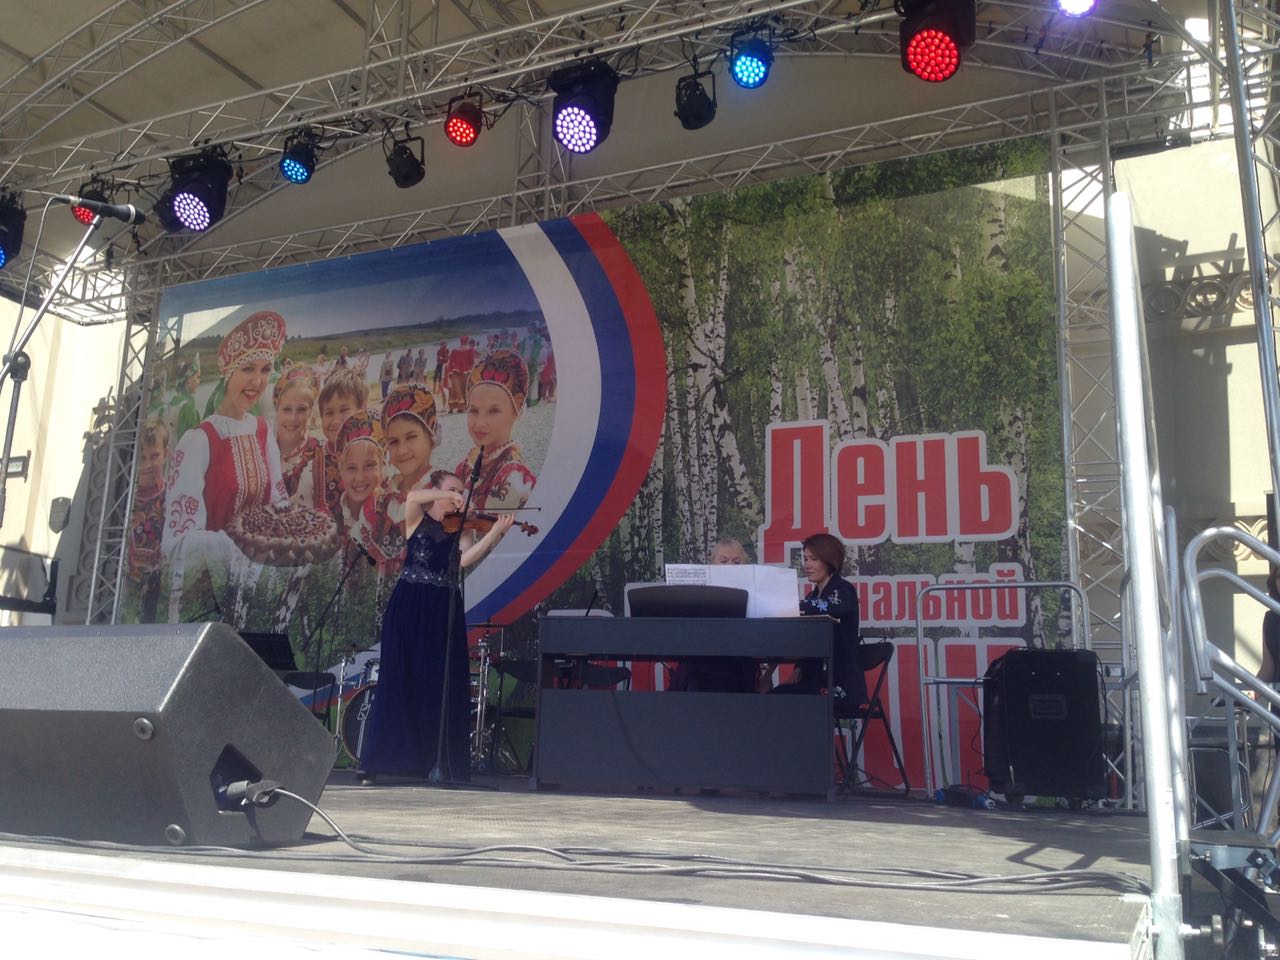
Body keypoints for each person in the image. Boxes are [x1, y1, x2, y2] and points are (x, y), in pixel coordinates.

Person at [357, 469, 513, 783]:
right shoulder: (418, 518)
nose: (459, 495)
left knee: (438, 682)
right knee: (399, 679)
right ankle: (384, 760)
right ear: (438, 490)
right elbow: (413, 497)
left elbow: (465, 560)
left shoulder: (461, 527)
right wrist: (447, 495)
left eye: (461, 491)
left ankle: (431, 761)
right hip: (410, 604)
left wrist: (494, 534)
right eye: (453, 489)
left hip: (443, 607)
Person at [163, 311, 289, 560]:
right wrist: (240, 547)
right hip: (212, 576)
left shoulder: (263, 431)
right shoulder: (199, 441)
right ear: (228, 373)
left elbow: (278, 502)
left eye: (265, 370)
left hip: (261, 572)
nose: (257, 381)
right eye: (248, 369)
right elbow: (178, 541)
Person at [770, 532, 866, 705]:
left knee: (775, 700)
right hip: (815, 682)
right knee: (771, 697)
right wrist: (799, 668)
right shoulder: (811, 596)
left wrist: (783, 605)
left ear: (829, 560)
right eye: (805, 559)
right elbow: (803, 639)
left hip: (841, 686)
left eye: (814, 559)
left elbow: (826, 606)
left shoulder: (844, 590)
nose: (807, 565)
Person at [668, 537, 758, 693]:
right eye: (724, 561)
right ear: (711, 565)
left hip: (739, 663)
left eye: (736, 562)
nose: (730, 566)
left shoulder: (756, 592)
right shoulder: (697, 593)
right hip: (701, 663)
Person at [366, 384, 440, 568]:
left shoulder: (442, 492)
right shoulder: (383, 497)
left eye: (411, 437)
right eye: (393, 442)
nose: (402, 450)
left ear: (431, 435)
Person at [454, 349, 536, 512]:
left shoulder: (514, 477)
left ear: (516, 411)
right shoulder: (466, 465)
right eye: (473, 410)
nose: (479, 423)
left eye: (493, 411)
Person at [127, 417, 170, 621]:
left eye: (154, 456)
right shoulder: (125, 502)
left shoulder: (172, 497)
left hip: (158, 593)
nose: (148, 465)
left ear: (165, 455)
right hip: (126, 592)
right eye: (142, 458)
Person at [272, 365, 322, 503]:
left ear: (310, 412)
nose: (293, 418)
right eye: (286, 409)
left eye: (301, 409)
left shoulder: (320, 454)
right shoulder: (262, 452)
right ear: (277, 409)